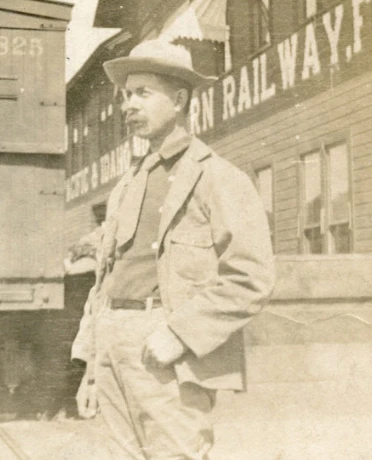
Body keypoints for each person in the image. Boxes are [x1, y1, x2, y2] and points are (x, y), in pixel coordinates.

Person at [72, 39, 275, 459]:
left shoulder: (219, 178)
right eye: (127, 95)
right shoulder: (128, 183)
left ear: (179, 98)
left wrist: (182, 333)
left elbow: (251, 277)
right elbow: (106, 277)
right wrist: (92, 364)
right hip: (112, 343)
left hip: (167, 348)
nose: (128, 105)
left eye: (142, 93)